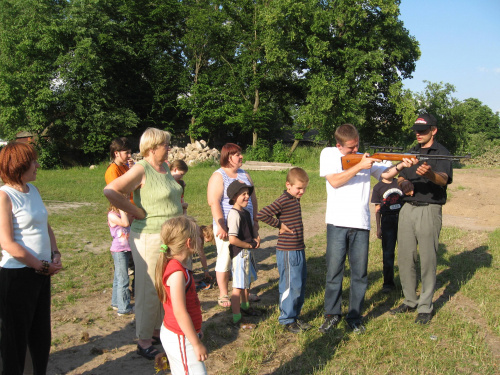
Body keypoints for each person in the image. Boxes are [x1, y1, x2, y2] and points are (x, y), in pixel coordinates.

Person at [318, 124, 416, 334]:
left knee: (360, 274)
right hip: (337, 221)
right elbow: (334, 181)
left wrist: (400, 165)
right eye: (351, 148)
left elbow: (385, 176)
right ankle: (332, 314)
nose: (355, 151)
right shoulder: (328, 154)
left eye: (357, 146)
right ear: (339, 145)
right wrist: (360, 165)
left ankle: (354, 316)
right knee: (334, 271)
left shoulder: (364, 158)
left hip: (361, 223)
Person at [104, 128, 183, 360]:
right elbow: (111, 190)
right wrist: (135, 211)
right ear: (151, 147)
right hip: (149, 237)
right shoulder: (141, 169)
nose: (169, 148)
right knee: (149, 288)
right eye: (166, 144)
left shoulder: (166, 167)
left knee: (164, 286)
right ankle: (143, 340)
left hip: (170, 236)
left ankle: (157, 330)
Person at [0, 142, 62, 374]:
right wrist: (40, 265)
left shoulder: (32, 190)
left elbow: (45, 226)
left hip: (40, 273)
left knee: (40, 335)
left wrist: (54, 253)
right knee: (15, 341)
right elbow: (7, 243)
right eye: (32, 161)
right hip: (18, 276)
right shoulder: (5, 196)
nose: (37, 165)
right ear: (18, 165)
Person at [390, 113, 453, 325]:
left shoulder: (442, 153)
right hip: (407, 208)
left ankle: (425, 306)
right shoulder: (411, 152)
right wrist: (402, 184)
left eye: (423, 130)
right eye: (416, 130)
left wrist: (430, 175)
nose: (418, 134)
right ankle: (410, 300)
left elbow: (443, 180)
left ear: (433, 130)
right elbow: (400, 176)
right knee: (406, 257)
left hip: (429, 208)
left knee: (428, 259)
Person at [257, 167, 310, 334]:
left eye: (304, 188)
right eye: (299, 188)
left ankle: (295, 316)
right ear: (288, 185)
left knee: (299, 284)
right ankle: (286, 319)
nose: (302, 191)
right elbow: (262, 214)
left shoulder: (294, 199)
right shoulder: (284, 199)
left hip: (298, 248)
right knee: (290, 284)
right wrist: (279, 225)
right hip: (287, 251)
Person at [207, 143, 260, 308]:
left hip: (246, 224)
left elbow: (253, 199)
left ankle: (245, 292)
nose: (241, 157)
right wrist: (221, 225)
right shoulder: (218, 175)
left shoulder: (245, 174)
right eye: (238, 154)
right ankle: (223, 294)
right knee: (225, 258)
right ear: (229, 157)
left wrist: (255, 222)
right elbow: (214, 202)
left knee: (244, 259)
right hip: (227, 226)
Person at [154, 216, 208, 375]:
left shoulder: (179, 267)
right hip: (181, 338)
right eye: (199, 236)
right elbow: (179, 312)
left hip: (182, 336)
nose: (202, 238)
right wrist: (196, 343)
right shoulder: (176, 273)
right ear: (189, 243)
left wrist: (196, 331)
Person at [226, 180, 261, 329]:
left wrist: (256, 238)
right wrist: (247, 245)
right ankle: (236, 317)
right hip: (240, 254)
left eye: (248, 193)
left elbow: (253, 231)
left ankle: (245, 306)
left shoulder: (246, 212)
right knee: (238, 286)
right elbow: (233, 239)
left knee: (246, 282)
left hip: (248, 252)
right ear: (234, 197)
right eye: (243, 194)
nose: (247, 197)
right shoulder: (234, 214)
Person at [370, 172, 404, 293]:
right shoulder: (378, 187)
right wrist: (379, 227)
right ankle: (388, 283)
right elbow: (377, 209)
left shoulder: (399, 182)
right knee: (388, 253)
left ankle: (406, 282)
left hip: (402, 219)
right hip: (387, 221)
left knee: (405, 252)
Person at [107, 200, 134, 316]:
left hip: (127, 249)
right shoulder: (112, 215)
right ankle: (124, 308)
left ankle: (116, 303)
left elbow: (130, 222)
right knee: (123, 279)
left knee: (118, 278)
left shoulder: (123, 214)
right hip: (119, 251)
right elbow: (125, 223)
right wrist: (123, 210)